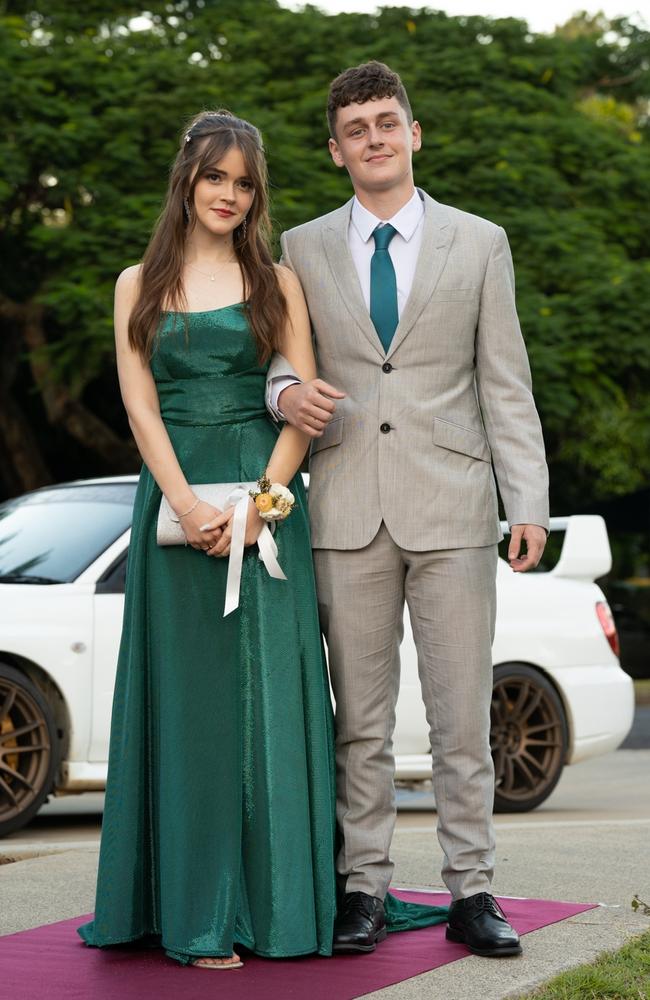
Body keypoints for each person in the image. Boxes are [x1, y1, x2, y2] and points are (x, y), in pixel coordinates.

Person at [78, 109, 447, 971]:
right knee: (191, 710)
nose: (231, 195)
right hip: (173, 515)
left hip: (267, 503)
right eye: (217, 177)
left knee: (269, 706)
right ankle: (193, 912)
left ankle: (279, 905)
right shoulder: (136, 283)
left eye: (245, 183)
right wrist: (187, 504)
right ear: (188, 180)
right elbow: (139, 406)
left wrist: (260, 502)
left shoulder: (279, 282)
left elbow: (304, 398)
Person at [267, 61, 549, 958]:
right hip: (345, 509)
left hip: (457, 508)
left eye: (388, 122)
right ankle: (364, 889)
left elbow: (506, 382)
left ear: (414, 134)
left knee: (463, 716)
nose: (375, 138)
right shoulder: (301, 249)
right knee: (361, 722)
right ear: (335, 149)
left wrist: (527, 501)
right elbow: (278, 361)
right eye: (357, 128)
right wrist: (284, 399)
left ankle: (473, 892)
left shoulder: (481, 241)